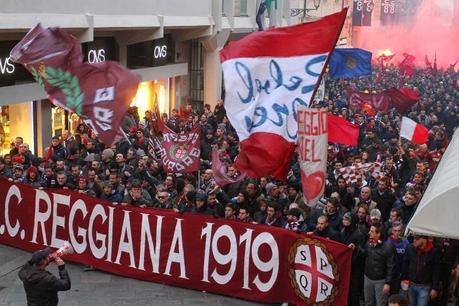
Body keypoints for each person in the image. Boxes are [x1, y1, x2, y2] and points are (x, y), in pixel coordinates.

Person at [361, 224, 395, 306]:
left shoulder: (388, 247)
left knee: (380, 304)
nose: (369, 233)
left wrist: (388, 283)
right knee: (368, 302)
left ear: (378, 234)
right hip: (368, 278)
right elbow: (364, 254)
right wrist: (356, 249)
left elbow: (391, 266)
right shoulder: (368, 243)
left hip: (381, 281)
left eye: (372, 231)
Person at [402, 235, 440, 306]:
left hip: (425, 286)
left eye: (417, 238)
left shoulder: (433, 251)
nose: (414, 240)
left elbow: (436, 271)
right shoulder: (410, 248)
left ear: (424, 240)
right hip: (411, 284)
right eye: (414, 238)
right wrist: (403, 279)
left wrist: (435, 287)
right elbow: (405, 264)